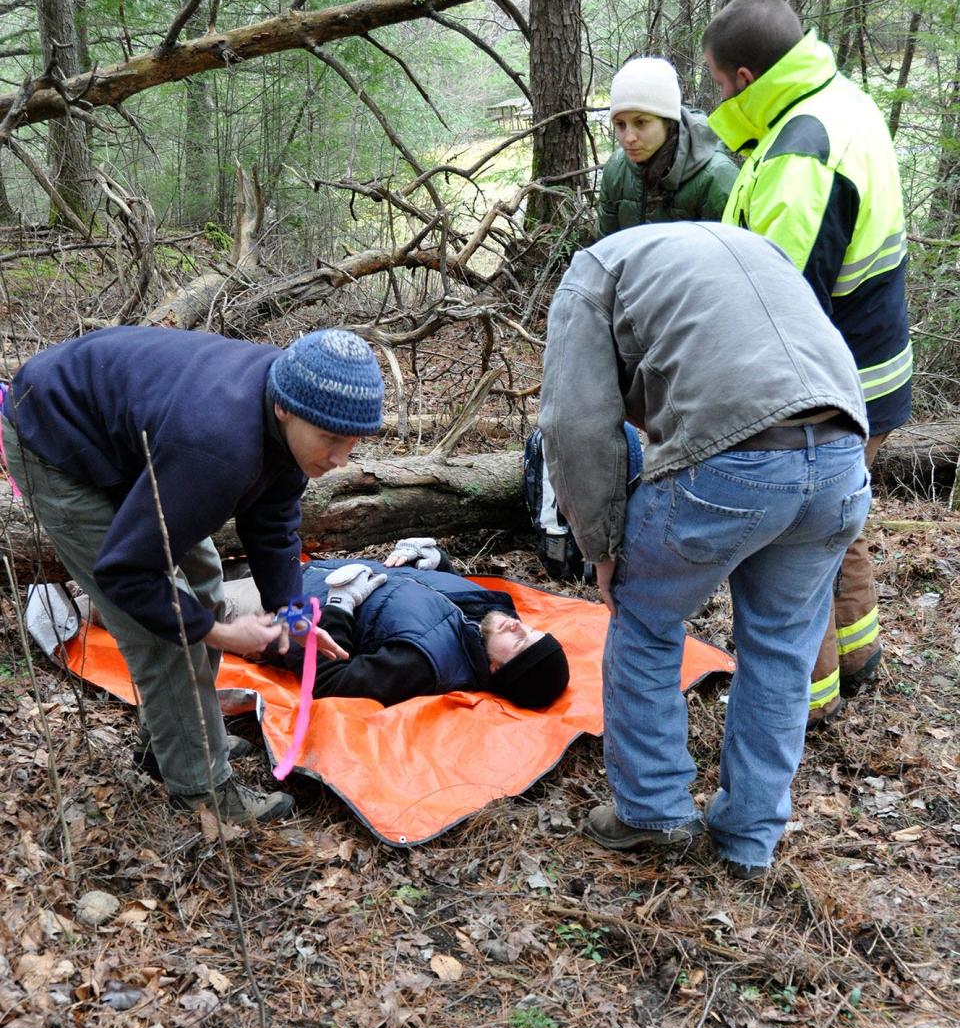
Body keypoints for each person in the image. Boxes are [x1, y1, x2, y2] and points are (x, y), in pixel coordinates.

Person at [538, 222, 870, 878]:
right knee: (781, 644)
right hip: (840, 458)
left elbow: (573, 423)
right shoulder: (753, 246)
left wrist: (601, 546)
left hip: (734, 463)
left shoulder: (592, 274)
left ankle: (652, 811)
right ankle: (750, 838)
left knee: (645, 615)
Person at [2, 326, 384, 824]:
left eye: (352, 443)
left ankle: (179, 738)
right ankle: (201, 791)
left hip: (131, 435)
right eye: (331, 440)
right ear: (284, 409)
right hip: (56, 435)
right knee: (161, 631)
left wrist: (292, 614)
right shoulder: (218, 442)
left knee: (203, 577)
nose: (339, 459)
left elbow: (271, 524)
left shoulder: (293, 406)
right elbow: (127, 572)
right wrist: (223, 633)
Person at [702, 0, 911, 724]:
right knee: (839, 521)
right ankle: (859, 655)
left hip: (832, 387)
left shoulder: (801, 151)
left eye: (719, 83)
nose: (715, 96)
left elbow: (778, 309)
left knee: (792, 549)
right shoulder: (834, 100)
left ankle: (806, 700)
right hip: (869, 373)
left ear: (748, 76)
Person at [225, 537, 570, 709]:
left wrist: (340, 606)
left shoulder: (423, 663)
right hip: (295, 570)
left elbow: (329, 682)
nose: (518, 626)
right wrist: (434, 561)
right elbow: (437, 601)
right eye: (531, 630)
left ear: (496, 669)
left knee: (184, 586)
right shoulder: (487, 617)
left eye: (522, 643)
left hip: (273, 610)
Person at [596, 56, 737, 237]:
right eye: (620, 125)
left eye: (641, 123)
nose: (628, 138)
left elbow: (734, 256)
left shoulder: (716, 176)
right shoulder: (617, 168)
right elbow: (605, 248)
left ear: (668, 121)